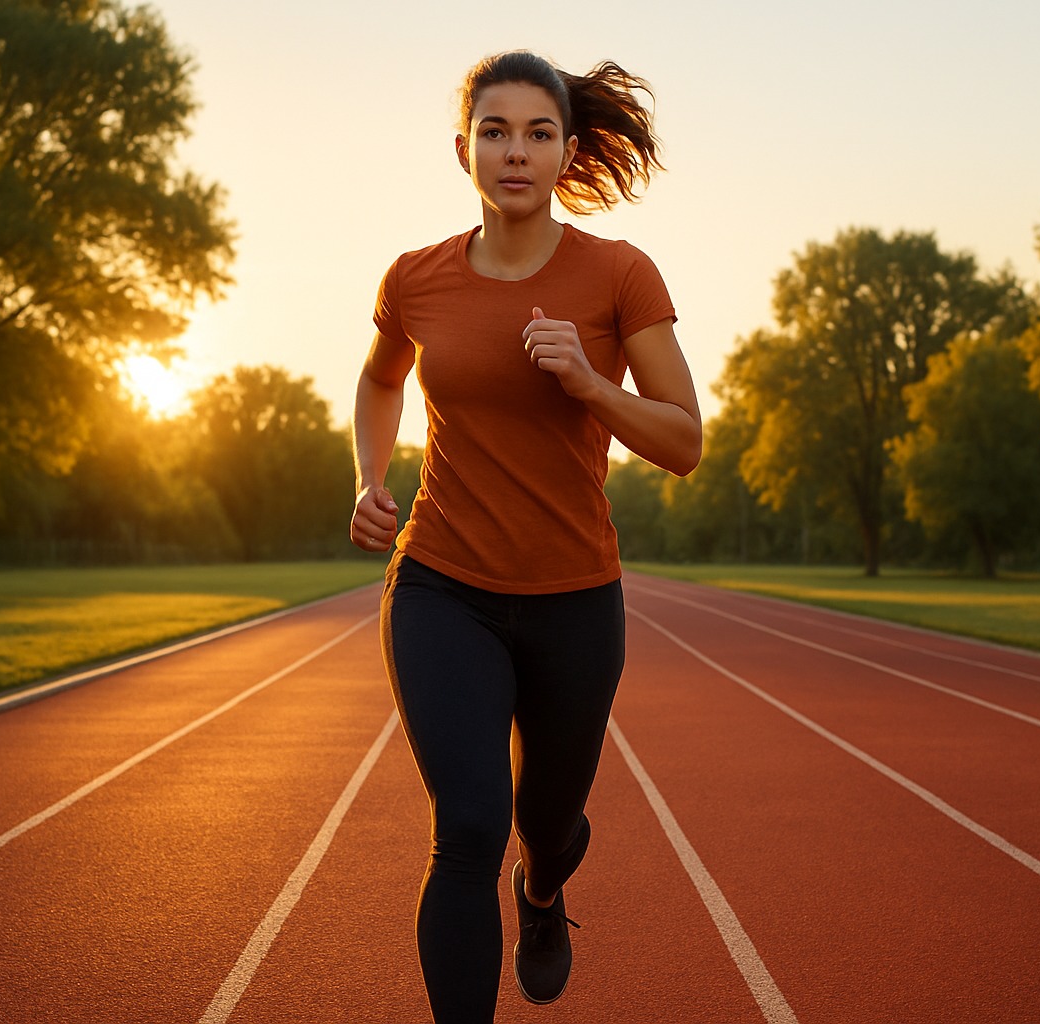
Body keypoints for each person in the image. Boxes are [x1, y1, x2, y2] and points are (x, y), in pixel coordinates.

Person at [348, 49, 701, 1024]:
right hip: (441, 584)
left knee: (545, 827)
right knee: (467, 825)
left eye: (538, 133)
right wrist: (369, 478)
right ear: (463, 149)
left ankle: (541, 892)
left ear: (566, 151)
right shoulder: (415, 280)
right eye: (495, 132)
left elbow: (685, 440)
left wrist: (591, 383)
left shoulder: (619, 275)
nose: (516, 151)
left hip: (574, 598)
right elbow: (382, 380)